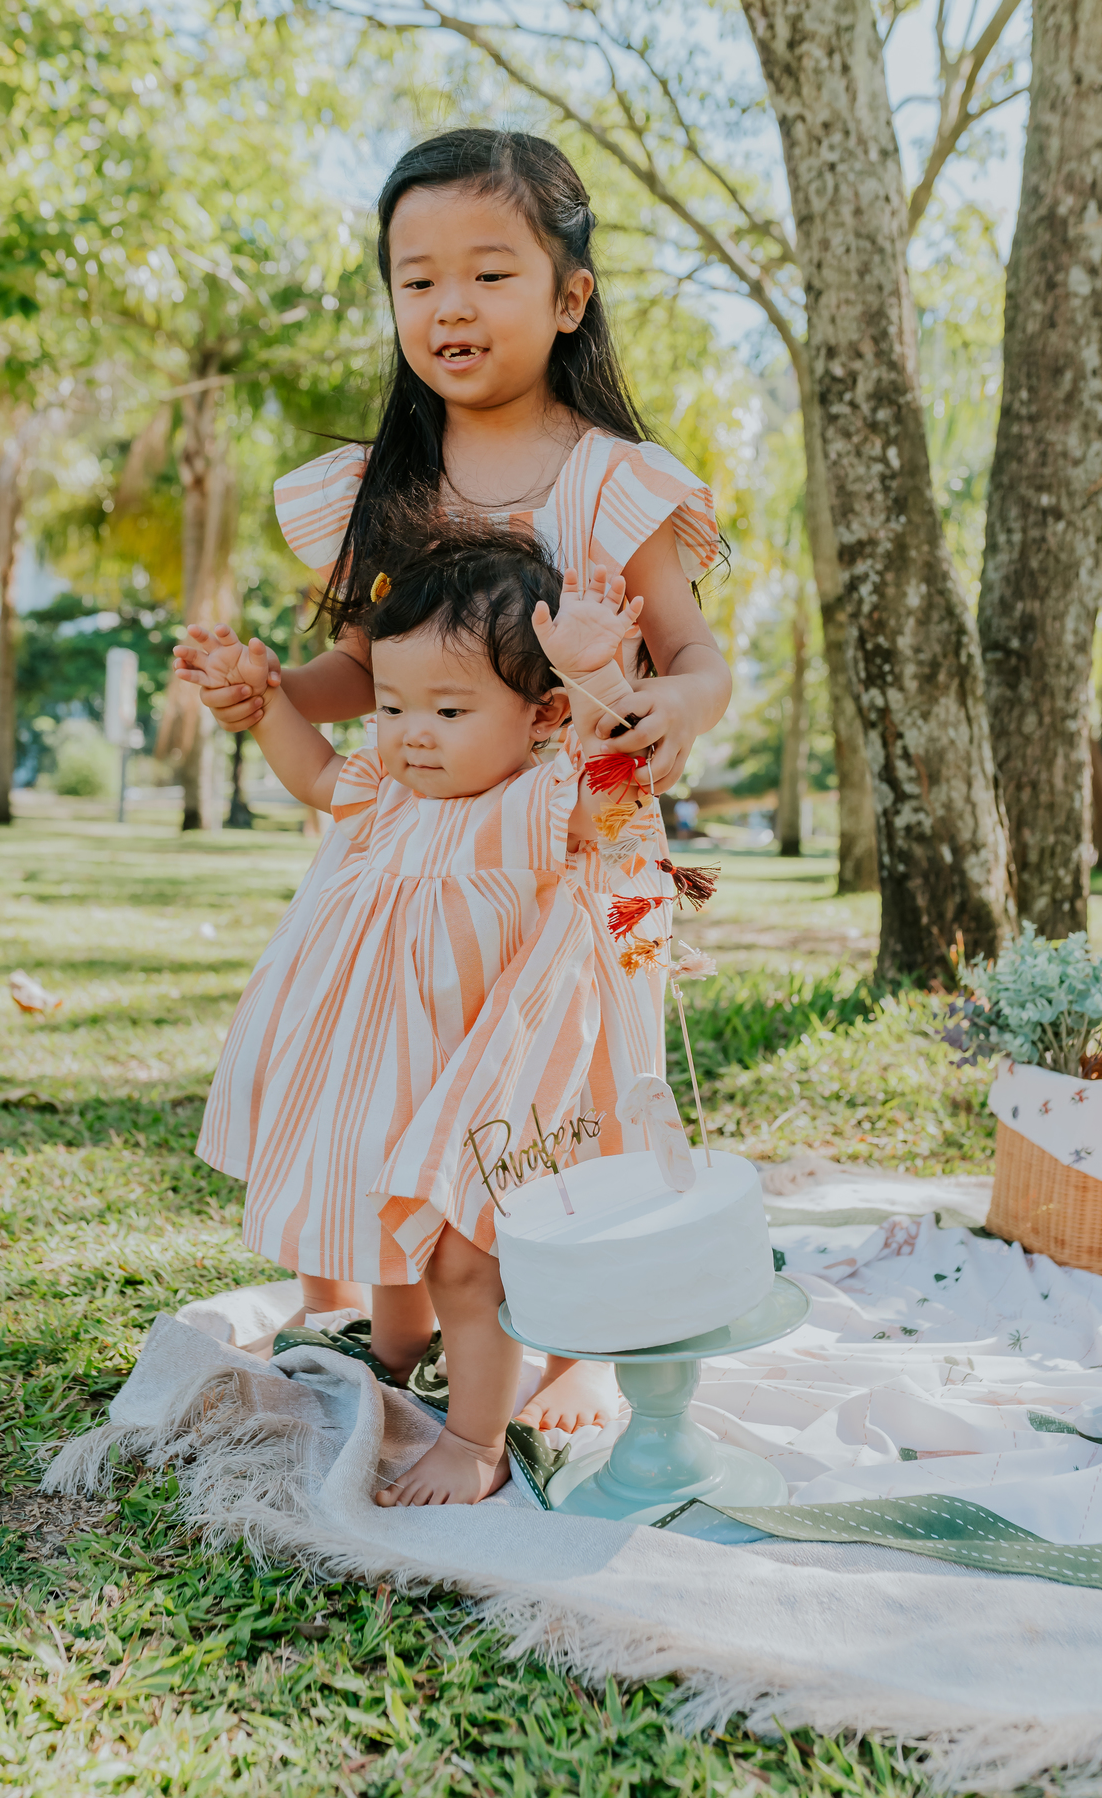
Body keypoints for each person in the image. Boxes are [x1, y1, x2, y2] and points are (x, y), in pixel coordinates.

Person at [175, 126, 732, 1430]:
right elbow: (351, 675)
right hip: (405, 864)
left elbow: (699, 652)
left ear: (569, 296)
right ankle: (403, 1308)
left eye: (488, 272)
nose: (449, 306)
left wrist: (678, 702)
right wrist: (268, 689)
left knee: (564, 1099)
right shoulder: (388, 486)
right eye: (416, 278)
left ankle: (573, 1331)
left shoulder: (612, 485)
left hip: (571, 862)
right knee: (393, 1074)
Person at [189, 519, 653, 1504]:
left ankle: (477, 1438)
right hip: (385, 1061)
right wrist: (264, 695)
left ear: (540, 716)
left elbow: (623, 803)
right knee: (375, 1196)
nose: (410, 732)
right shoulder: (389, 793)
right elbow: (313, 769)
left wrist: (603, 685)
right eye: (392, 705)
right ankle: (397, 1349)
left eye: (447, 707)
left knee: (459, 1248)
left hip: (487, 1067)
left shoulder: (535, 802)